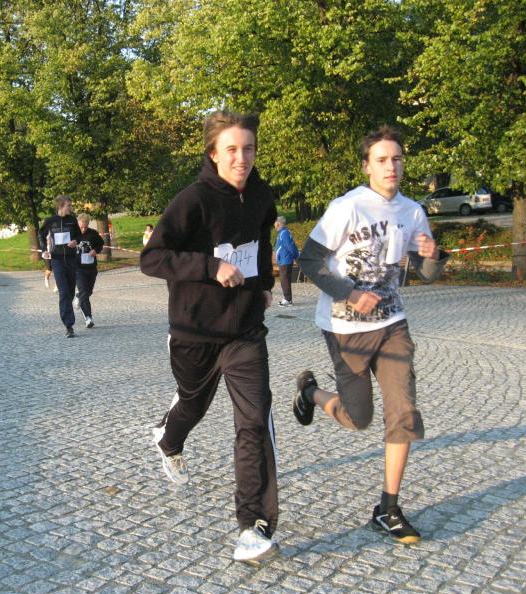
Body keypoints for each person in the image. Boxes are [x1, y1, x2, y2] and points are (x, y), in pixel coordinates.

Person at [293, 125, 449, 545]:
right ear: (367, 166)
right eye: (381, 160)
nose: (390, 166)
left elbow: (426, 273)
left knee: (403, 412)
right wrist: (350, 293)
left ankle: (388, 508)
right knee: (357, 417)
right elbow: (309, 260)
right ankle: (310, 393)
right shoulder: (347, 207)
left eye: (396, 159)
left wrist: (434, 255)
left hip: (393, 325)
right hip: (346, 328)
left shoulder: (413, 211)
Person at [140, 110, 279, 565]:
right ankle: (168, 439)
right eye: (232, 150)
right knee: (193, 405)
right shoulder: (193, 200)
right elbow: (151, 258)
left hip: (244, 332)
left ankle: (252, 526)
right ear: (213, 154)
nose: (242, 158)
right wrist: (209, 267)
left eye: (249, 148)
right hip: (194, 331)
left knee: (254, 421)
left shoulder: (261, 195)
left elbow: (260, 242)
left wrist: (263, 287)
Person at [41, 195, 82, 338]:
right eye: (68, 205)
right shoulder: (50, 221)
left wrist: (75, 241)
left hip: (71, 259)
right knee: (63, 292)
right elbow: (41, 235)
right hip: (57, 260)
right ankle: (69, 325)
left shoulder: (72, 220)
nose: (71, 208)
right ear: (61, 206)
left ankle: (67, 312)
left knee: (70, 292)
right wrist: (44, 250)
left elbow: (79, 235)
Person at [75, 213, 104, 328]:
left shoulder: (93, 233)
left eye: (85, 227)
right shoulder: (73, 234)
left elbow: (100, 244)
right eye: (81, 227)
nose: (83, 229)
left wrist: (95, 250)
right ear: (78, 224)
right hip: (78, 268)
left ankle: (78, 297)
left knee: (88, 291)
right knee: (84, 292)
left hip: (91, 267)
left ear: (88, 224)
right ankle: (88, 318)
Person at [274, 216, 299, 306]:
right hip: (283, 260)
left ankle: (288, 300)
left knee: (285, 280)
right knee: (284, 280)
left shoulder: (284, 233)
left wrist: (296, 257)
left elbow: (290, 247)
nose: (274, 225)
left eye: (275, 223)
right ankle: (287, 298)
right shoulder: (283, 232)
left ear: (278, 224)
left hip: (285, 260)